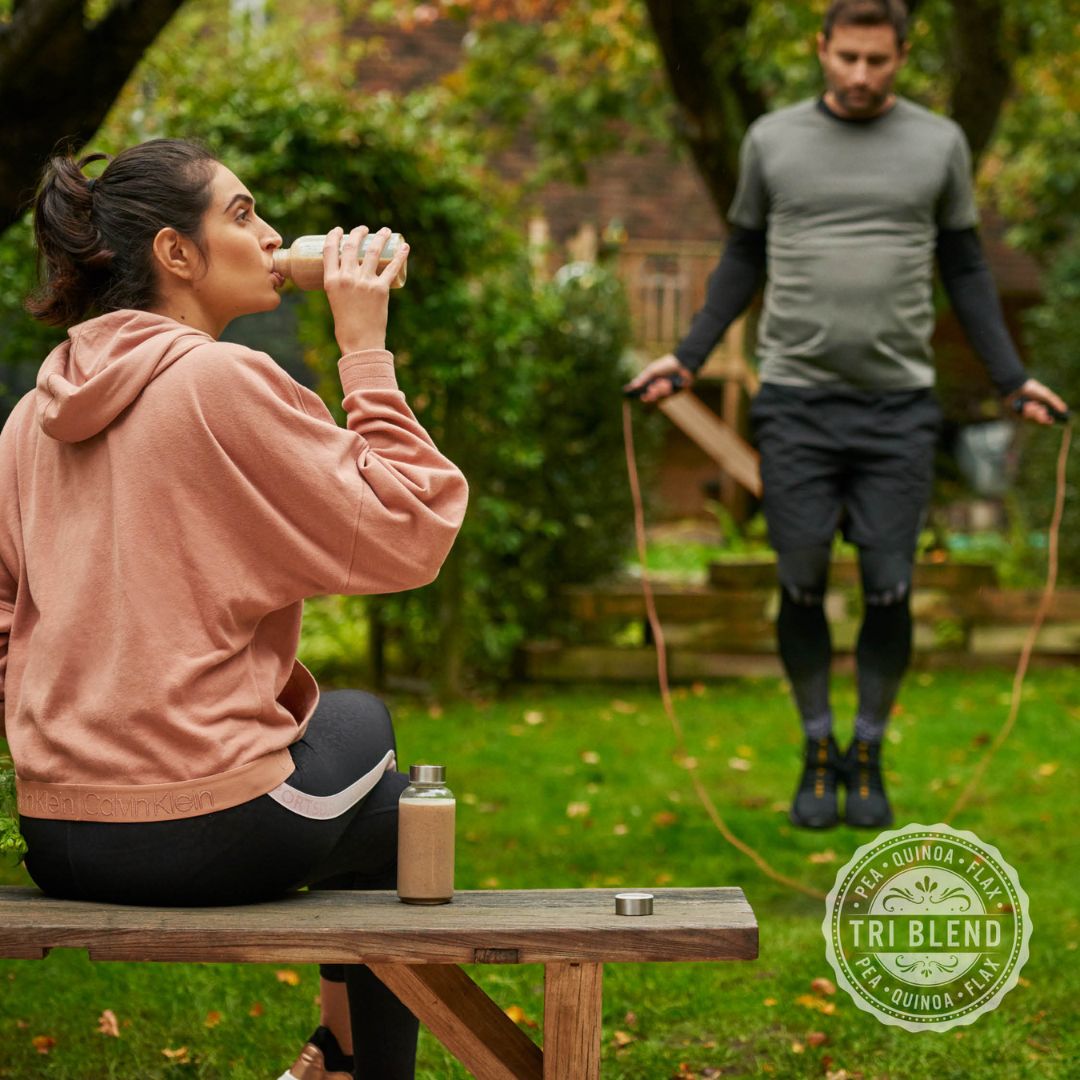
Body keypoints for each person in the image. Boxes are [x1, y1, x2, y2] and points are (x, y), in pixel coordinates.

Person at [0, 138, 469, 1080]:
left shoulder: (30, 417)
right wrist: (364, 349)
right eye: (245, 214)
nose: (271, 236)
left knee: (377, 808)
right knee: (367, 733)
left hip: (59, 832)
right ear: (177, 253)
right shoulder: (221, 381)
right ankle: (358, 1064)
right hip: (200, 829)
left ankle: (341, 1054)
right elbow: (412, 526)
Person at [625, 0, 1065, 831]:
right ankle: (816, 746)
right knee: (800, 581)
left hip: (898, 409)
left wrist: (1012, 380)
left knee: (890, 591)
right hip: (795, 403)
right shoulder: (771, 142)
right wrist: (685, 358)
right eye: (848, 58)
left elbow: (968, 266)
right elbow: (742, 256)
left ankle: (867, 750)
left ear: (903, 56)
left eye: (879, 61)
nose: (861, 77)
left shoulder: (939, 145)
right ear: (821, 50)